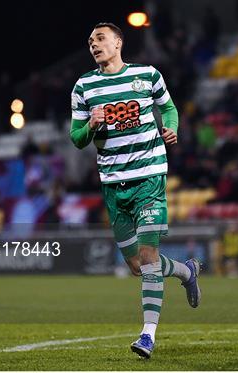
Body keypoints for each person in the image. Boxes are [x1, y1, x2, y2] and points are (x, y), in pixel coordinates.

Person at [69, 22, 201, 359]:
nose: (93, 44)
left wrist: (170, 129)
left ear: (118, 42)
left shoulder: (147, 76)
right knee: (137, 266)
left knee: (148, 256)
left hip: (149, 177)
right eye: (90, 41)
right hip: (114, 184)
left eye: (99, 38)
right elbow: (76, 138)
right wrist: (91, 125)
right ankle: (187, 272)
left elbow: (169, 109)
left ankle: (147, 336)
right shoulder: (84, 87)